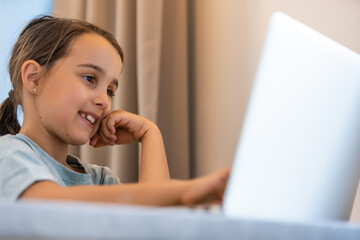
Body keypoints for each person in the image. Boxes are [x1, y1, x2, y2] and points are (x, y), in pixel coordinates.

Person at [0, 15, 230, 206]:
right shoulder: (8, 154)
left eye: (110, 90)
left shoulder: (99, 180)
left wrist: (150, 135)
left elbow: (153, 225)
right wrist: (184, 192)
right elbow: (47, 206)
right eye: (90, 78)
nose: (104, 101)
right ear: (34, 78)